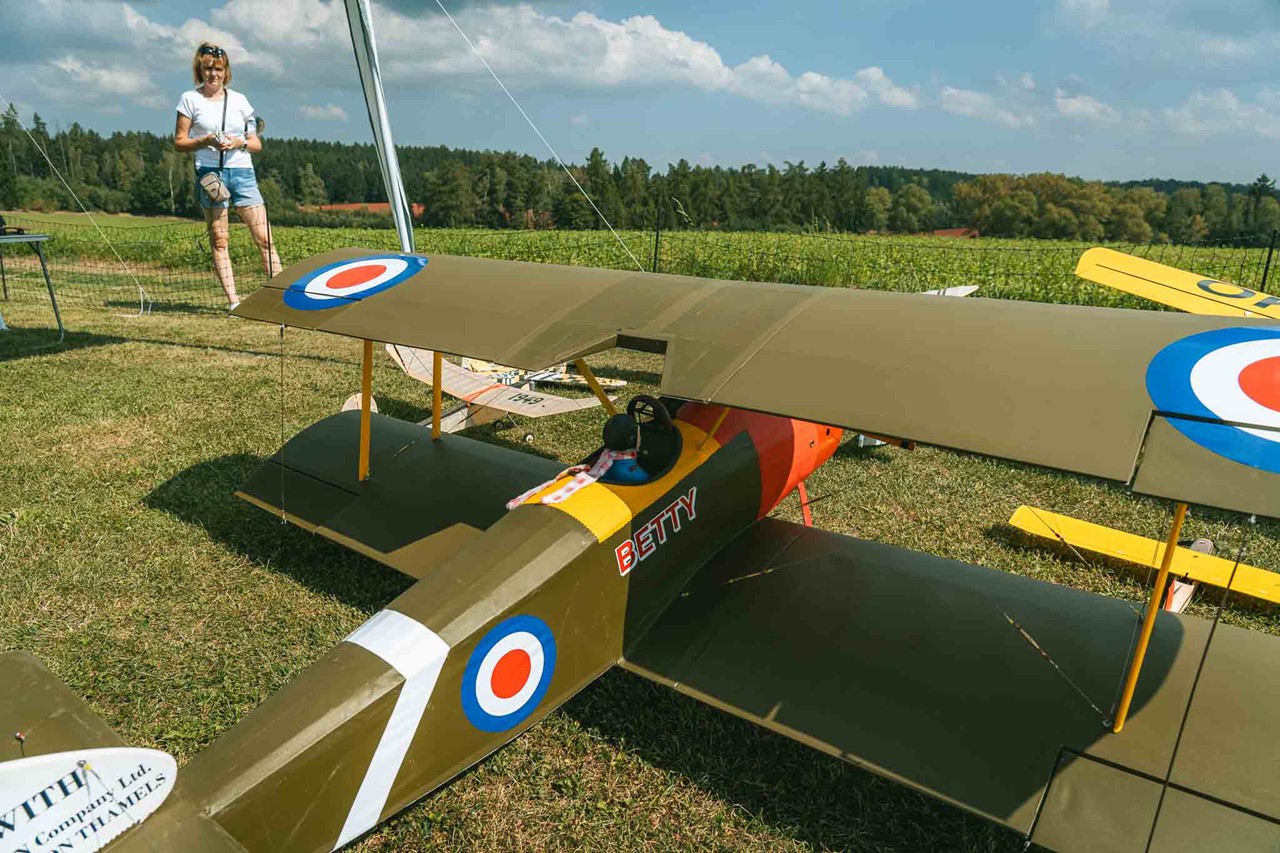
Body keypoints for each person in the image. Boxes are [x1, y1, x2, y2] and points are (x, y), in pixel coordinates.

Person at [173, 42, 281, 309]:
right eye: (208, 69)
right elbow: (179, 142)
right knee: (220, 239)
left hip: (242, 172)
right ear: (200, 70)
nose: (213, 74)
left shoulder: (240, 101)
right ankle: (234, 302)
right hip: (210, 174)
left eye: (218, 69)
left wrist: (238, 142)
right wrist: (205, 140)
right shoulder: (189, 99)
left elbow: (256, 143)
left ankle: (280, 296)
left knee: (264, 237)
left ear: (226, 72)